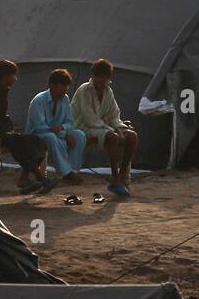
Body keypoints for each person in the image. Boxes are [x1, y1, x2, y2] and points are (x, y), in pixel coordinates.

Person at [0, 59, 49, 194]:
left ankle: (24, 180)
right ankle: (40, 177)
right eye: (13, 76)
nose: (15, 79)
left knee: (37, 141)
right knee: (15, 141)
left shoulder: (3, 93)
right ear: (5, 76)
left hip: (3, 132)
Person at [72, 58, 137, 197]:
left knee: (132, 136)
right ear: (93, 76)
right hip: (83, 127)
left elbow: (114, 115)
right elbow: (89, 118)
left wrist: (120, 128)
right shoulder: (84, 90)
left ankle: (122, 176)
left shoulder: (108, 91)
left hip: (102, 126)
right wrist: (112, 130)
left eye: (103, 76)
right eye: (97, 76)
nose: (100, 80)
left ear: (108, 77)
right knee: (112, 137)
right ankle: (115, 179)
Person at [26, 69, 85, 183]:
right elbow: (40, 127)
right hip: (37, 135)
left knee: (79, 135)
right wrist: (63, 134)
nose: (65, 89)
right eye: (62, 85)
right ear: (52, 85)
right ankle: (66, 172)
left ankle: (73, 170)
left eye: (66, 86)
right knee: (50, 137)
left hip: (57, 132)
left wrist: (63, 129)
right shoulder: (39, 100)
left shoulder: (65, 98)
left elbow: (69, 121)